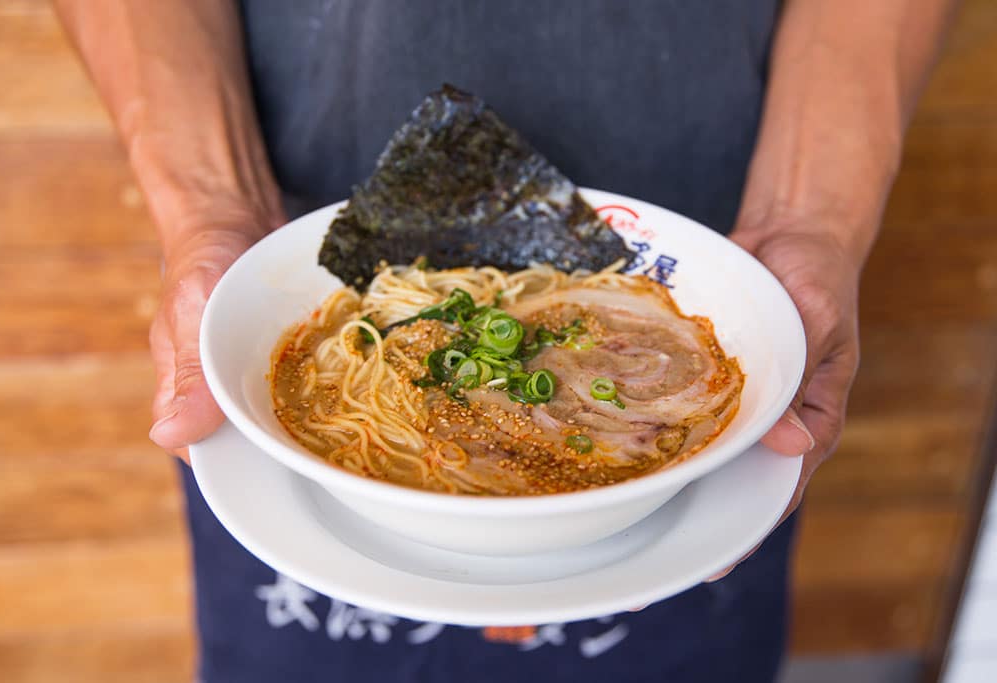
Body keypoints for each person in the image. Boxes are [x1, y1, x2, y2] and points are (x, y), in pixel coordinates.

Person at [55, 1, 957, 681]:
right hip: (304, 249)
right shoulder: (290, 352)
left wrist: (807, 220)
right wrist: (216, 214)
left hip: (713, 239)